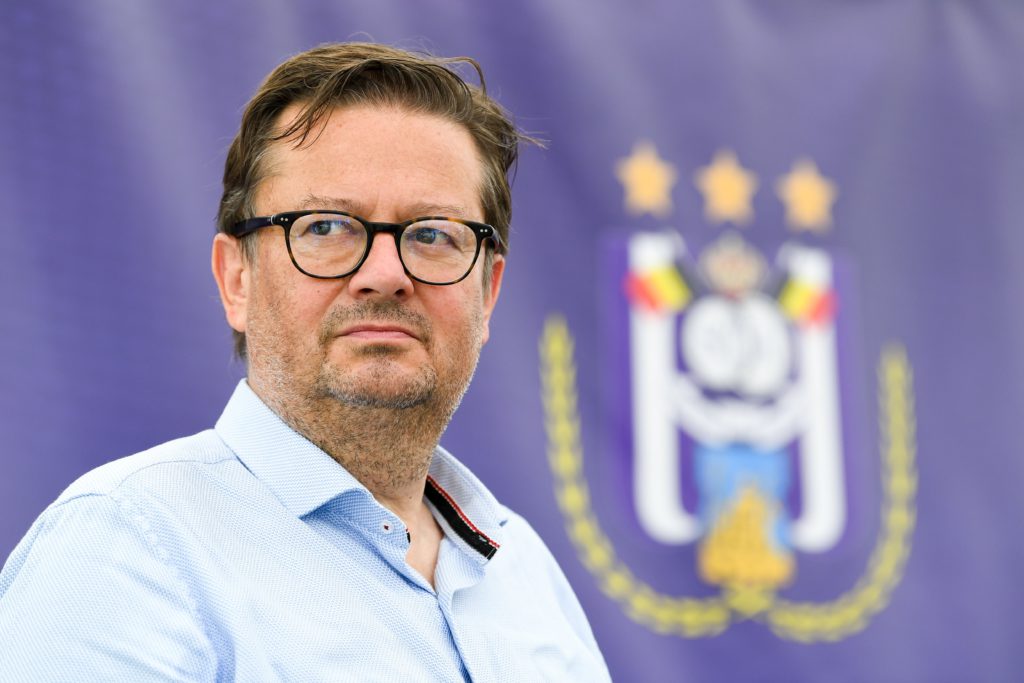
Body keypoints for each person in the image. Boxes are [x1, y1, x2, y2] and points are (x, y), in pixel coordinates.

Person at [0, 43, 610, 681]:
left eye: (433, 234)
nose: (385, 274)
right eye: (325, 227)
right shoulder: (129, 551)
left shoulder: (525, 570)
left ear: (487, 294)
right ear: (236, 279)